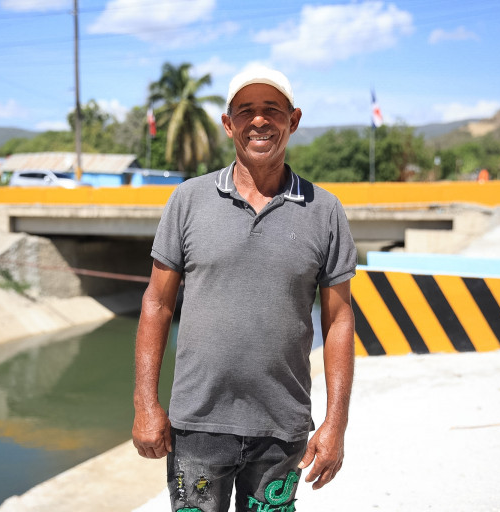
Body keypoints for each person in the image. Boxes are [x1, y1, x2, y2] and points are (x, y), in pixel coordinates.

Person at [133, 66, 357, 512]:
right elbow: (157, 304)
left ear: (293, 120)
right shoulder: (188, 200)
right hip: (197, 425)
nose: (259, 121)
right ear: (228, 123)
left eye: (272, 109)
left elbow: (338, 320)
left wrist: (336, 423)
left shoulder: (325, 211)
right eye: (245, 110)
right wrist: (145, 403)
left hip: (282, 428)